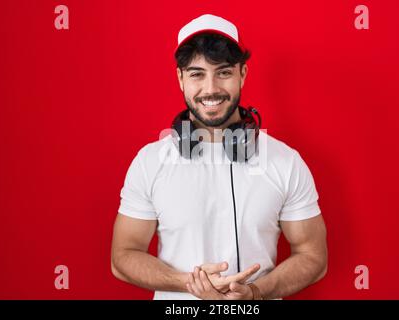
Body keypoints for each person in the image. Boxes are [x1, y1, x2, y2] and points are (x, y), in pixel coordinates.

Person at [111, 14, 327, 300]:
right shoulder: (149, 162)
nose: (210, 89)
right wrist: (190, 283)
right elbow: (123, 255)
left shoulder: (285, 161)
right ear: (180, 78)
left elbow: (313, 256)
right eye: (197, 74)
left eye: (223, 72)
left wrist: (254, 293)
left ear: (243, 74)